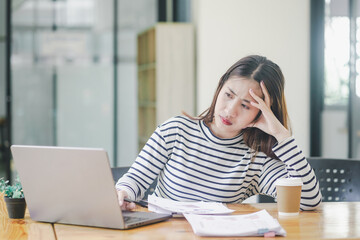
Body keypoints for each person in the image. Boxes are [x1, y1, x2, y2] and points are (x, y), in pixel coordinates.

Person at [116, 55, 322, 211]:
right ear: (219, 88)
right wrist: (123, 192)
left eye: (246, 106)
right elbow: (136, 179)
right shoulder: (176, 131)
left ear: (263, 113)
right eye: (228, 95)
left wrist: (282, 135)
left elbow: (309, 202)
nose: (230, 110)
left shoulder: (256, 159)